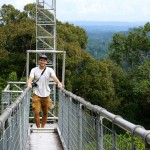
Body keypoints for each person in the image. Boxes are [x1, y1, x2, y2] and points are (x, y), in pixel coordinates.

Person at [27, 54, 62, 128]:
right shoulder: (34, 69)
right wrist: (29, 83)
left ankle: (42, 127)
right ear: (38, 61)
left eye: (44, 60)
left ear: (46, 62)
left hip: (46, 95)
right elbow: (31, 77)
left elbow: (54, 77)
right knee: (36, 112)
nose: (42, 62)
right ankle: (38, 128)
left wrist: (58, 83)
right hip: (36, 94)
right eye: (41, 60)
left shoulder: (50, 70)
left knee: (45, 112)